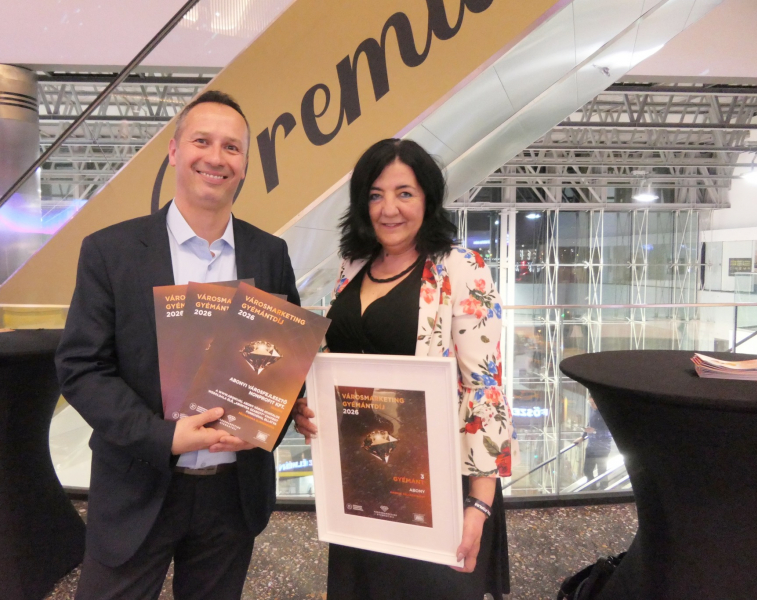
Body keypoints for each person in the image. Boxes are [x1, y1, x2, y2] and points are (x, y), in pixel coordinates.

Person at [55, 90, 300, 600]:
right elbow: (82, 368)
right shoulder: (110, 251)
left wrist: (276, 418)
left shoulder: (269, 253)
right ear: (173, 151)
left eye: (232, 147)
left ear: (245, 164)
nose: (216, 157)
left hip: (232, 494)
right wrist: (163, 436)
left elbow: (284, 362)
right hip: (137, 481)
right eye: (201, 141)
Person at [294, 139, 513, 600]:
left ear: (428, 199)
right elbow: (339, 362)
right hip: (364, 478)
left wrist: (478, 505)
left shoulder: (460, 267)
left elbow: (484, 388)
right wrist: (311, 406)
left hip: (435, 484)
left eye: (404, 193)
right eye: (375, 195)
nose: (388, 208)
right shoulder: (354, 265)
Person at [583, 398, 612, 490]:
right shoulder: (592, 410)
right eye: (590, 402)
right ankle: (593, 489)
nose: (591, 405)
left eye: (593, 402)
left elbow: (609, 430)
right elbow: (590, 423)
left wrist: (595, 431)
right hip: (591, 445)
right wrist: (583, 436)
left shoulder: (606, 412)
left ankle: (603, 490)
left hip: (603, 447)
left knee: (601, 470)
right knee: (587, 470)